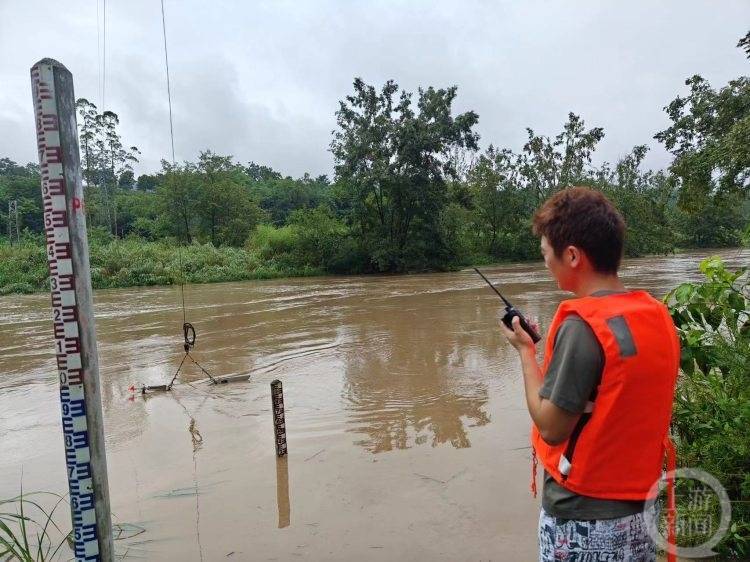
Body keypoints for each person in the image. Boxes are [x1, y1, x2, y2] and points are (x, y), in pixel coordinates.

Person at [500, 186, 680, 561]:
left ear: (572, 255)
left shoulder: (581, 328)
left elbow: (551, 426)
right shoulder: (655, 316)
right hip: (640, 510)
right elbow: (610, 389)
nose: (545, 262)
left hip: (584, 520)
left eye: (546, 253)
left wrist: (526, 353)